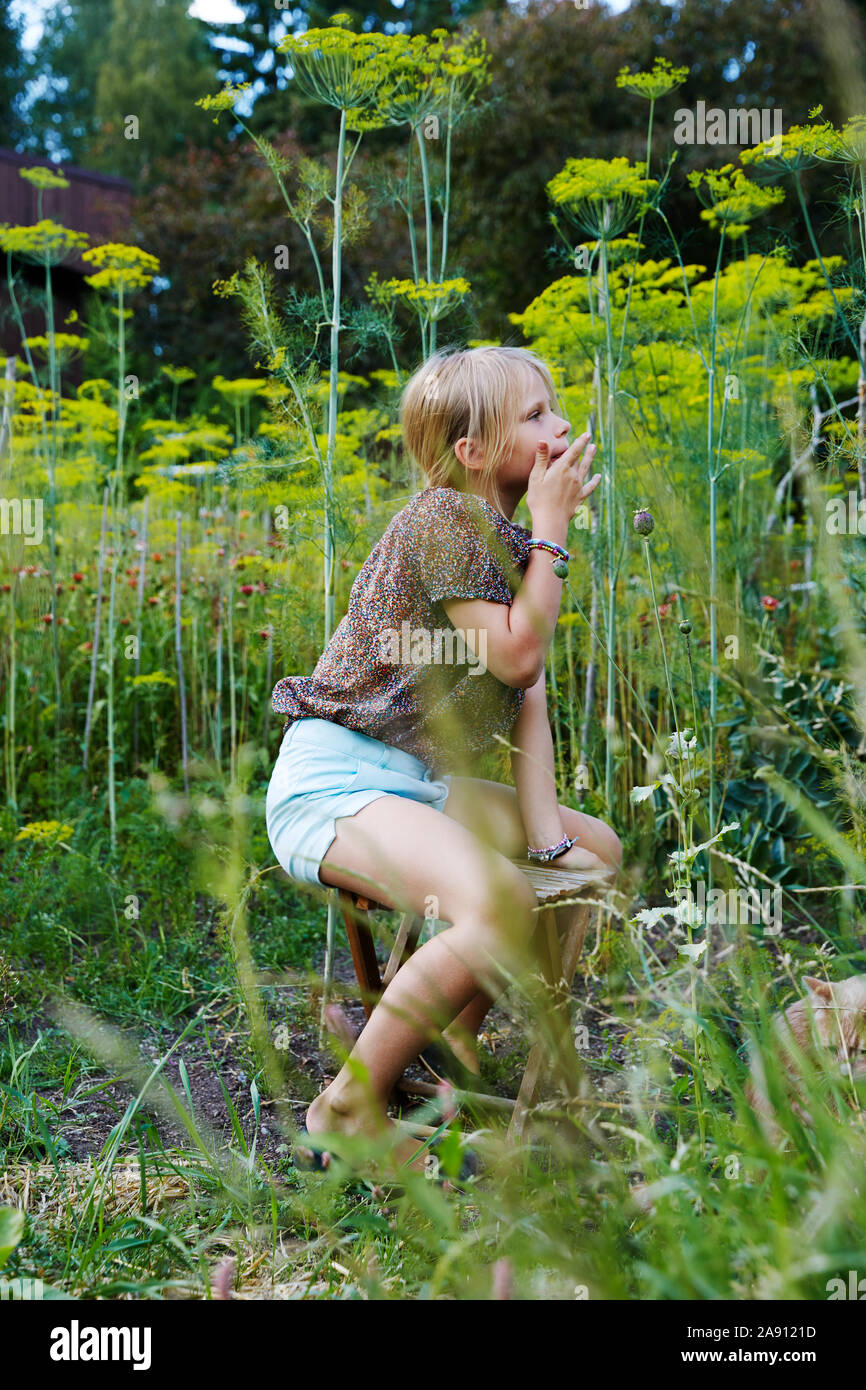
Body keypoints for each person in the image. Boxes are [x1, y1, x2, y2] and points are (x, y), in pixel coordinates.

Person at [265, 344, 623, 1179]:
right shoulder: (443, 520)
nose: (561, 426)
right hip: (341, 779)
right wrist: (555, 533)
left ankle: (448, 1046)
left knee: (596, 850)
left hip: (418, 785)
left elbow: (528, 701)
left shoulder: (505, 541)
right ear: (470, 453)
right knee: (496, 906)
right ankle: (345, 1109)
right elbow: (518, 660)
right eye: (534, 415)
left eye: (554, 407)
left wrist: (545, 841)